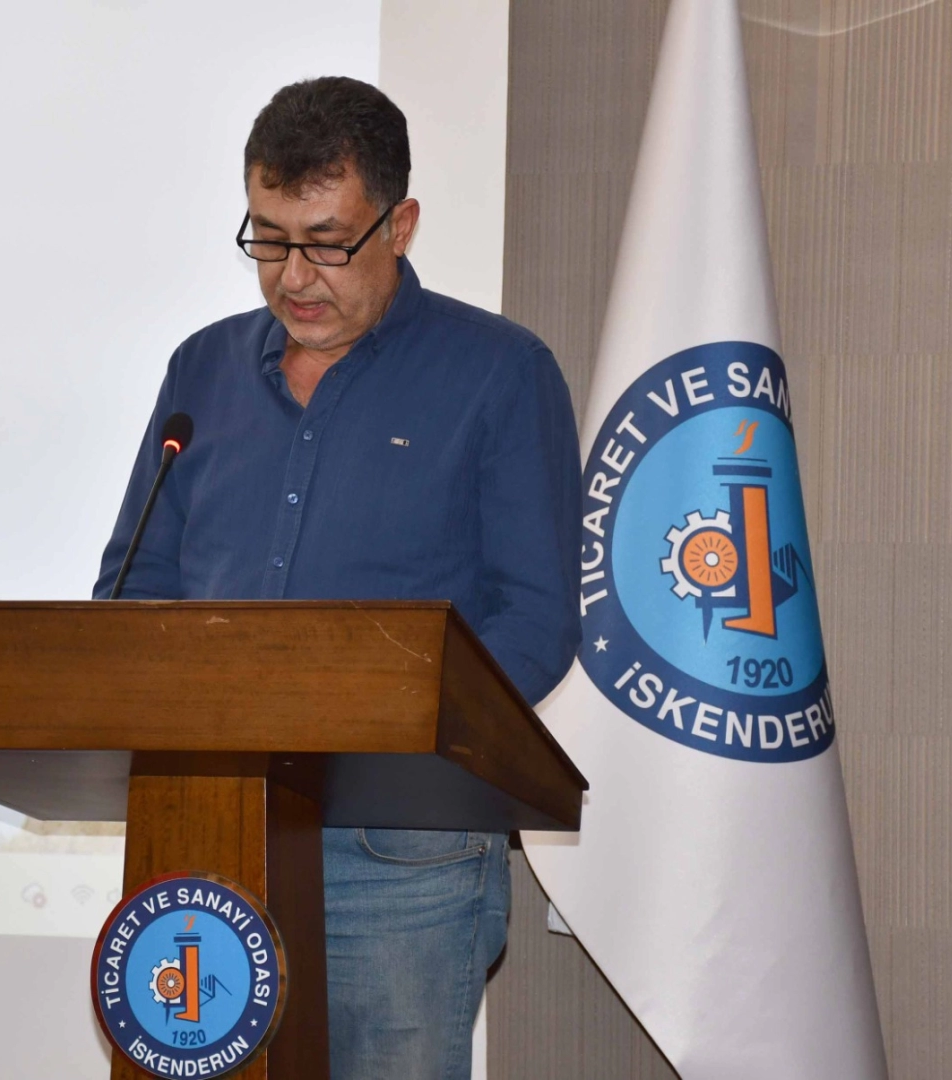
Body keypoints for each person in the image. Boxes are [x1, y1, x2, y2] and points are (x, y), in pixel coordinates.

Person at [94, 76, 581, 1080]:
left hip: (401, 853)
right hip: (211, 836)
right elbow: (134, 593)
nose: (292, 276)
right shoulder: (201, 371)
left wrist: (381, 725)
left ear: (398, 225)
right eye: (268, 239)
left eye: (325, 242)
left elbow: (535, 621)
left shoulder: (499, 372)